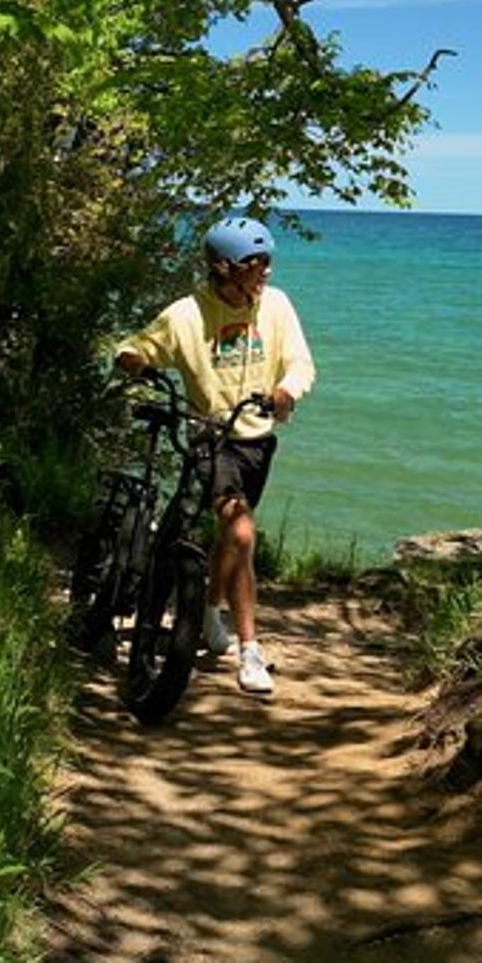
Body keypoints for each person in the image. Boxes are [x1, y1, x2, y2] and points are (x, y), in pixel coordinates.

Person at [115, 216, 315, 698]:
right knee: (242, 531)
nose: (266, 270)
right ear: (225, 266)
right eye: (256, 262)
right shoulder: (186, 314)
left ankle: (207, 613)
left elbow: (300, 362)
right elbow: (135, 346)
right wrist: (134, 361)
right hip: (209, 436)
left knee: (231, 539)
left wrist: (287, 391)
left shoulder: (276, 304)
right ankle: (250, 651)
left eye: (268, 261)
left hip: (257, 440)